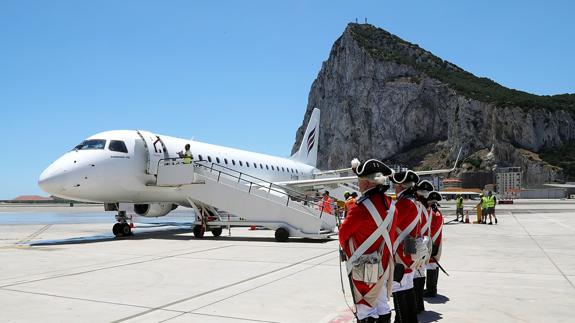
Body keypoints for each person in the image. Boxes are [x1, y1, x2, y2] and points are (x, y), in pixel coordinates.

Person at [339, 158, 397, 323]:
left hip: (365, 266)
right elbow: (391, 236)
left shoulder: (360, 208)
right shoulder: (391, 205)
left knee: (365, 307)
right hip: (385, 264)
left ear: (366, 182)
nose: (358, 184)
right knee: (382, 304)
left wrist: (349, 252)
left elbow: (343, 235)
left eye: (360, 180)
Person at [390, 170, 426, 323]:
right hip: (410, 253)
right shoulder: (415, 203)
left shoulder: (403, 204)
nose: (394, 188)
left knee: (399, 292)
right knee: (408, 291)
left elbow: (389, 225)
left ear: (401, 186)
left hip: (401, 255)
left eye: (396, 185)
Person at [413, 180, 434, 313]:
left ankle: (416, 305)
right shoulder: (429, 208)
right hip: (425, 244)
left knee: (414, 277)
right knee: (421, 274)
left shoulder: (417, 206)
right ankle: (420, 304)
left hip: (418, 244)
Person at [424, 191, 444, 297]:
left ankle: (431, 290)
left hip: (431, 243)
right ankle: (432, 288)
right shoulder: (439, 213)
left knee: (431, 265)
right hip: (437, 242)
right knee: (433, 265)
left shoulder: (430, 213)